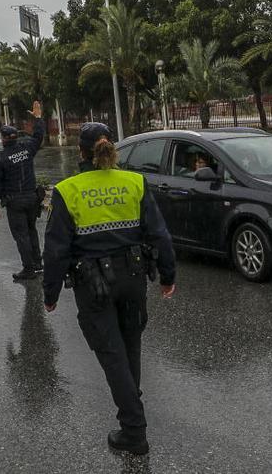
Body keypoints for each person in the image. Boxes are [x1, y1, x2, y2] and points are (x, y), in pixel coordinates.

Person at [42, 122, 176, 455]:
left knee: (112, 356)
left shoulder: (68, 189)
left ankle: (134, 431)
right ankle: (132, 407)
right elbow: (159, 234)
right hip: (132, 278)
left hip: (94, 285)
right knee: (130, 348)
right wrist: (168, 275)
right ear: (110, 148)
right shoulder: (134, 182)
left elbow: (56, 248)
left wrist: (50, 293)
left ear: (81, 152)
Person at [0, 101, 46, 281]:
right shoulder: (27, 149)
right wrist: (38, 118)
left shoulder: (0, 158)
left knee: (21, 236)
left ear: (4, 139)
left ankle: (28, 269)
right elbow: (38, 136)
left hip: (15, 202)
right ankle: (38, 264)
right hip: (31, 198)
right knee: (31, 231)